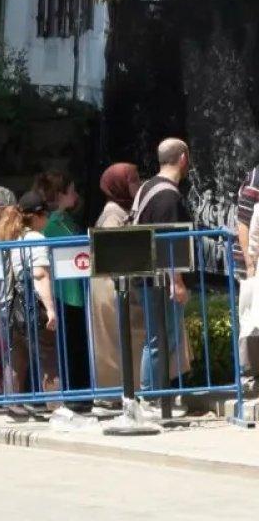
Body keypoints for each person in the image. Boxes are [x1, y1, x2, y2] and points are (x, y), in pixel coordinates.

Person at [132, 138, 193, 393]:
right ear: (183, 159)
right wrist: (177, 283)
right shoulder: (168, 196)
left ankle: (154, 394)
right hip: (160, 281)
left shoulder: (148, 187)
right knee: (160, 338)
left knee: (157, 338)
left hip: (147, 277)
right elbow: (170, 244)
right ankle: (152, 395)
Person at [0, 191, 60, 411]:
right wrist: (50, 309)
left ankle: (12, 402)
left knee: (16, 356)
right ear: (38, 215)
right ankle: (56, 407)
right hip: (31, 305)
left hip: (9, 305)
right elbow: (40, 274)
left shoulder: (10, 236)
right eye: (46, 215)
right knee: (48, 356)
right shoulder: (35, 239)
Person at [35, 171, 92, 405]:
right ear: (60, 194)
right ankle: (75, 395)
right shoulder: (55, 224)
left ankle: (83, 393)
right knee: (72, 346)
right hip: (66, 293)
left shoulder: (65, 220)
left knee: (78, 344)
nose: (76, 195)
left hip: (76, 290)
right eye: (72, 191)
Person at [90, 164, 147, 390]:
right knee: (118, 345)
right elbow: (117, 256)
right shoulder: (113, 215)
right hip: (113, 290)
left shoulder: (122, 210)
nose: (138, 184)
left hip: (117, 287)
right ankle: (118, 395)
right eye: (133, 181)